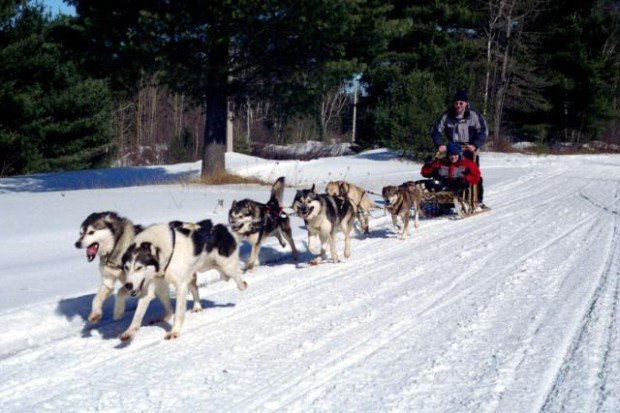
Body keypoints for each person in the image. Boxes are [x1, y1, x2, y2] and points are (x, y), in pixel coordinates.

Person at [430, 90, 488, 207]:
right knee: (448, 174)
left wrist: (475, 144)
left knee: (472, 175)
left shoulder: (474, 115)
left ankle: (477, 201)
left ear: (466, 103)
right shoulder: (447, 116)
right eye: (456, 103)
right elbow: (436, 130)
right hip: (453, 150)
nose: (458, 106)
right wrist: (439, 144)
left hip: (469, 149)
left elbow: (483, 131)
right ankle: (447, 199)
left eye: (461, 103)